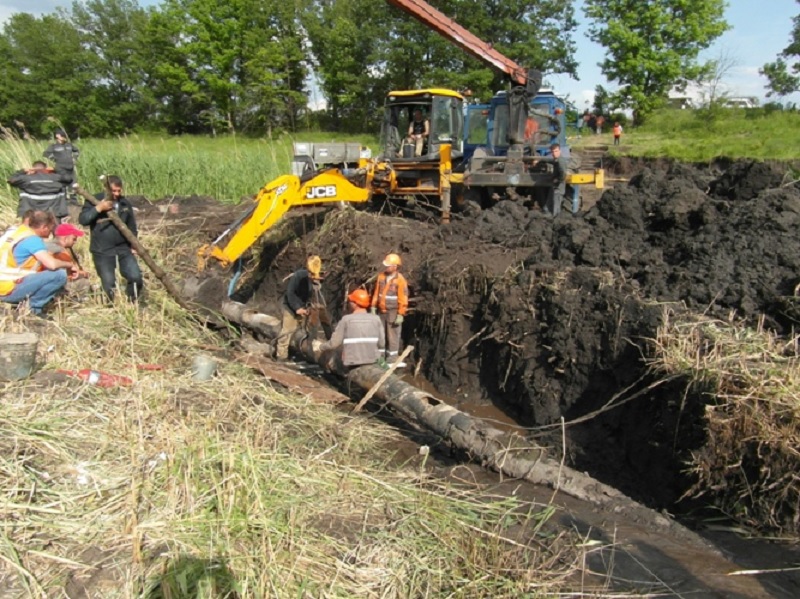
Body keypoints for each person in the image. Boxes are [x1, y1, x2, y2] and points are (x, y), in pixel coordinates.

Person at [78, 175, 144, 303]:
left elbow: (132, 226)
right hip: (102, 249)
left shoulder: (125, 203)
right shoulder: (94, 200)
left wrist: (133, 244)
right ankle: (109, 306)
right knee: (108, 284)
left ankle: (132, 302)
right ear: (107, 189)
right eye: (114, 191)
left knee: (135, 277)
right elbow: (83, 220)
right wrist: (99, 209)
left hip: (123, 248)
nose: (117, 194)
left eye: (119, 191)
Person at [0, 210, 75, 315]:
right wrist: (69, 265)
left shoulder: (15, 232)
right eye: (51, 227)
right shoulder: (32, 240)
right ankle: (34, 310)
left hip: (4, 282)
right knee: (59, 275)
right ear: (44, 227)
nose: (51, 232)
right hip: (6, 289)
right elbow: (52, 265)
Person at [317, 288, 384, 371]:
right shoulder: (376, 319)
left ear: (355, 304)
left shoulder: (346, 320)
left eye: (350, 301)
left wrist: (320, 347)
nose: (349, 303)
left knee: (333, 360)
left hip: (352, 362)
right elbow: (382, 343)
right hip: (373, 360)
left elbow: (334, 344)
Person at [276, 255, 324, 361]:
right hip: (291, 306)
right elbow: (290, 293)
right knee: (287, 331)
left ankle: (306, 354)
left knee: (307, 331)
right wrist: (297, 308)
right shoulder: (298, 276)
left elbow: (315, 293)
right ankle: (281, 356)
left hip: (305, 305)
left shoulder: (317, 276)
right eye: (311, 274)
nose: (313, 277)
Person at [370, 253, 409, 367]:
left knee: (393, 335)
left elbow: (403, 297)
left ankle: (391, 358)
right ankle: (379, 357)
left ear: (395, 266)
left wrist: (401, 313)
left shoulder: (400, 280)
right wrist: (373, 306)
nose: (386, 267)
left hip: (393, 311)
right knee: (380, 334)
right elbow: (376, 293)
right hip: (381, 310)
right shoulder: (381, 277)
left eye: (388, 265)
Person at [548, 143, 568, 217]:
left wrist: (558, 180)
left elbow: (563, 173)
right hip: (556, 187)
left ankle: (555, 221)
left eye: (556, 151)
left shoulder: (561, 161)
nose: (554, 153)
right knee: (553, 205)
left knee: (556, 208)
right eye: (552, 152)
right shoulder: (557, 160)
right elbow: (552, 162)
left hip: (559, 187)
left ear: (560, 151)